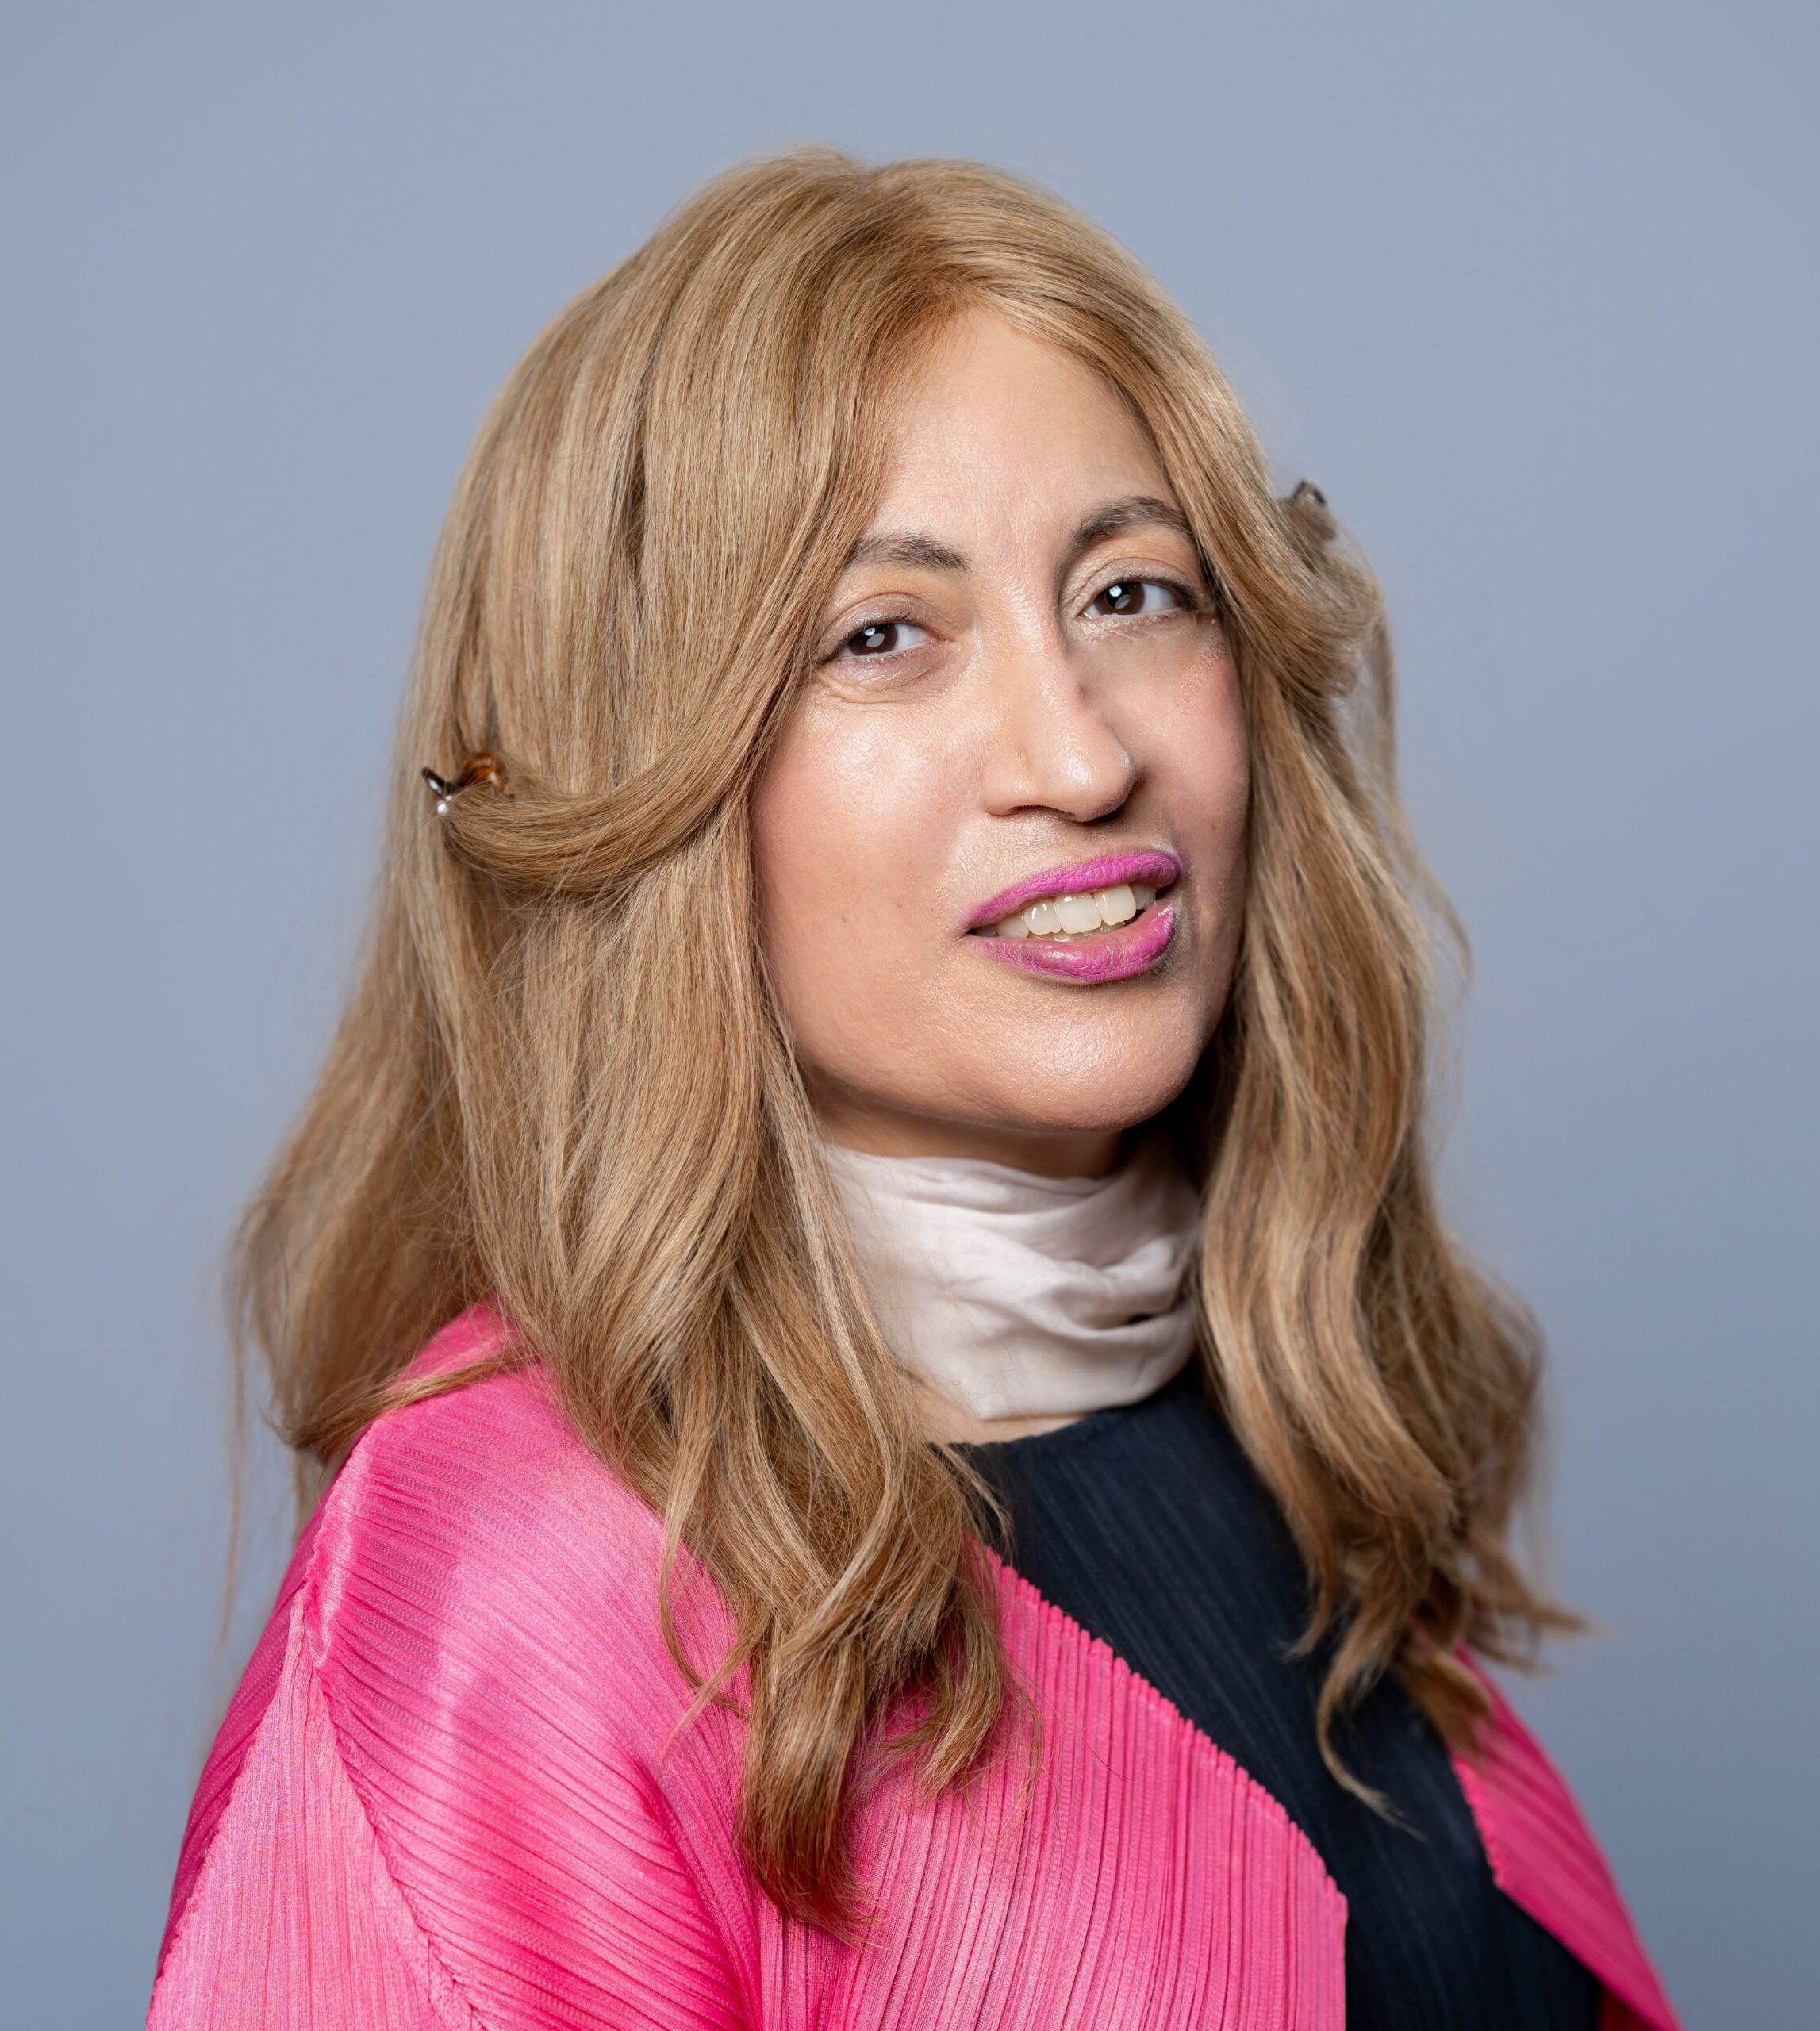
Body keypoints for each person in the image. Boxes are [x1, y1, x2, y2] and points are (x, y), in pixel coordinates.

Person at [147, 150, 1680, 2029]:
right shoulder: (516, 1584)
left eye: (1132, 592)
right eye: (882, 633)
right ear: (645, 781)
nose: (1079, 754)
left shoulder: (1275, 1419)